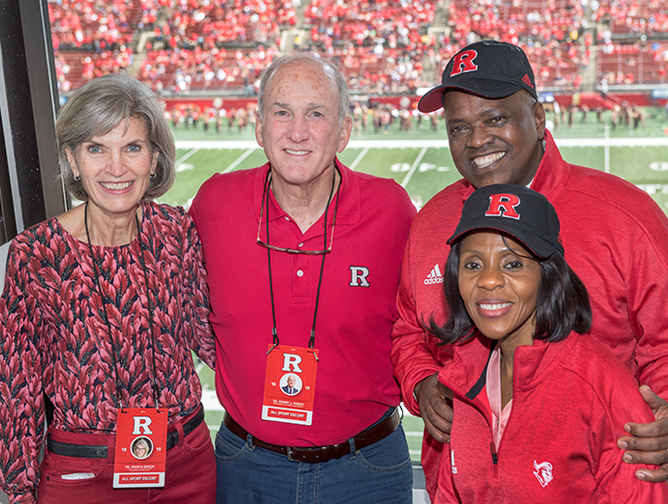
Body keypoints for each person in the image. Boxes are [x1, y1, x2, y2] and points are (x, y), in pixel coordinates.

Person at [390, 40, 668, 500]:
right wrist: (421, 382)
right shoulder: (431, 224)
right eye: (459, 127)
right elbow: (406, 330)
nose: (476, 140)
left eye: (495, 119)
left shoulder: (625, 217)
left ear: (538, 120)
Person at [189, 52, 416, 503]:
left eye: (316, 113)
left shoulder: (391, 211)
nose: (297, 131)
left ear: (344, 132)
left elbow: (426, 322)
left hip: (366, 467)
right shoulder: (215, 204)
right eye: (281, 113)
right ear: (259, 128)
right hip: (247, 466)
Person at [0, 74, 216, 503]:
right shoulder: (38, 254)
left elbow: (211, 334)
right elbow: (17, 385)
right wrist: (18, 491)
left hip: (186, 465)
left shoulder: (176, 231)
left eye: (132, 148)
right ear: (72, 160)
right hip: (84, 475)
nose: (116, 168)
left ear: (154, 159)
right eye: (96, 148)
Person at [430, 183, 667, 502]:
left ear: (547, 274)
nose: (488, 280)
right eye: (473, 264)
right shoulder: (461, 377)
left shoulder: (601, 387)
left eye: (512, 263)